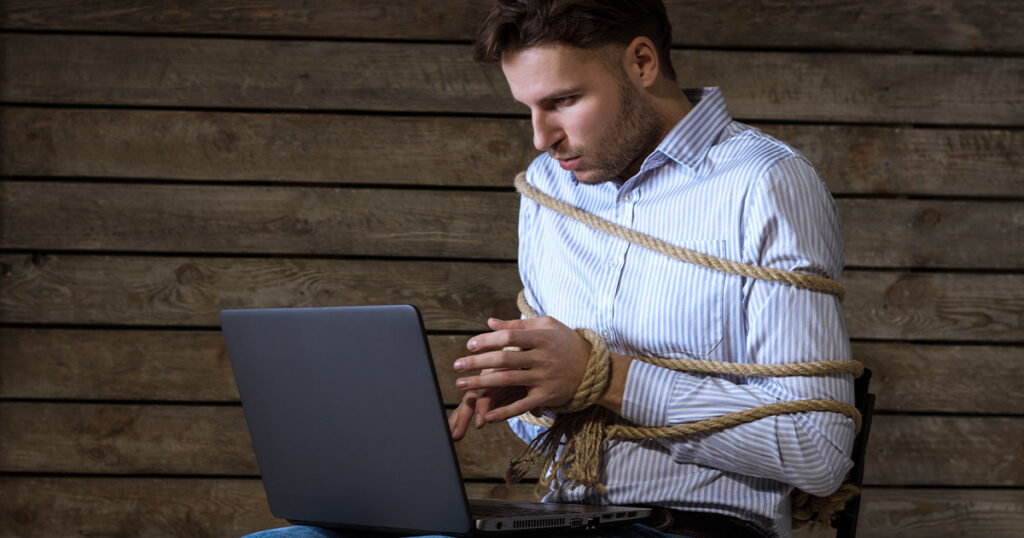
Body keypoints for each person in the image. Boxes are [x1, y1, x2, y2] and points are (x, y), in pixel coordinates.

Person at [248, 1, 855, 537]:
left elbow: (821, 454)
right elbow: (547, 435)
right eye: (529, 108)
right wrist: (534, 393)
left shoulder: (764, 184)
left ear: (642, 62)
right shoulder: (549, 190)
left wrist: (607, 378)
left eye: (563, 101)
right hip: (566, 515)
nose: (542, 138)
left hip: (698, 526)